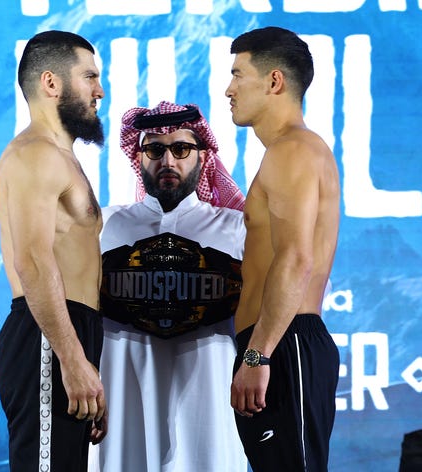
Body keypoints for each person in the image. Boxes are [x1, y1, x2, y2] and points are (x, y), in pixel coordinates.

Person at [90, 101, 248, 472]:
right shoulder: (103, 228)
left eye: (181, 149)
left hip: (210, 399)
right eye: (154, 150)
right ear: (139, 156)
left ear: (202, 155)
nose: (168, 161)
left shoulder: (237, 230)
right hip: (122, 399)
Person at [225, 27, 341, 471]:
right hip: (278, 345)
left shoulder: (292, 150)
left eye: (238, 75)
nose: (228, 89)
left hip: (282, 345)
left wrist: (259, 353)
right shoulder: (289, 151)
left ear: (274, 81)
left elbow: (296, 259)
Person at [0, 30, 107, 472]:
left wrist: (86, 362)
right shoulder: (34, 155)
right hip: (47, 336)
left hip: (67, 334)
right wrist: (72, 359)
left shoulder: (60, 155)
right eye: (89, 77)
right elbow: (34, 262)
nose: (100, 90)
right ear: (51, 83)